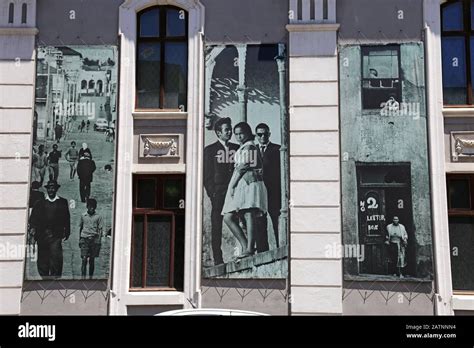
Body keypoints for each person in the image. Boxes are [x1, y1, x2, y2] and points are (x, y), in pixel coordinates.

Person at [222, 122, 267, 259]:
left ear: (248, 132)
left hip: (250, 184)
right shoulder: (243, 147)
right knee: (228, 217)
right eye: (236, 134)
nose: (238, 136)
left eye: (241, 133)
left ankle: (248, 249)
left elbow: (243, 167)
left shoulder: (251, 147)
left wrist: (232, 185)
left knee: (249, 213)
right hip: (242, 184)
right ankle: (246, 245)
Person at [204, 117, 239, 265]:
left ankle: (240, 252)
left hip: (236, 192)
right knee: (217, 224)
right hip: (218, 193)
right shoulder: (210, 150)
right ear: (218, 133)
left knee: (239, 221)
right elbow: (206, 175)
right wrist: (212, 193)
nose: (230, 132)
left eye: (230, 129)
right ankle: (218, 259)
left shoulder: (237, 148)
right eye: (227, 130)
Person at [28, 180, 70, 279]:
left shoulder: (62, 202)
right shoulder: (40, 203)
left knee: (56, 256)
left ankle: (55, 277)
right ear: (47, 189)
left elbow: (66, 217)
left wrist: (67, 231)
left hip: (56, 235)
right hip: (42, 235)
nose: (51, 190)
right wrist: (33, 232)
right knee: (43, 257)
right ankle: (44, 277)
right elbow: (33, 219)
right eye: (49, 188)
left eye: (53, 188)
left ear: (56, 189)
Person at [255, 123, 281, 251]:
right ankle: (262, 251)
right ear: (256, 136)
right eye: (260, 134)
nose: (263, 136)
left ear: (269, 134)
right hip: (258, 192)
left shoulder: (277, 149)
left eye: (265, 134)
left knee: (277, 220)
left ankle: (280, 248)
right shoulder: (252, 149)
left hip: (273, 192)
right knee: (259, 222)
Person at [79, 198, 104, 279]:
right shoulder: (83, 216)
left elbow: (100, 230)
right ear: (87, 207)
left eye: (93, 207)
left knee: (92, 260)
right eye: (90, 206)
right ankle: (83, 278)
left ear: (95, 207)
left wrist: (98, 241)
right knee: (84, 259)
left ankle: (90, 278)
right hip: (84, 239)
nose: (91, 208)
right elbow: (80, 228)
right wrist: (80, 239)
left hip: (94, 239)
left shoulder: (98, 217)